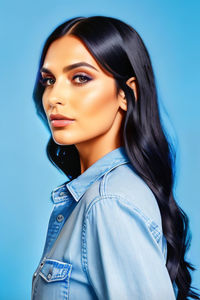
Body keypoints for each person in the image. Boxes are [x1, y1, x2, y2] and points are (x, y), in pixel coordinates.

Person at [31, 15, 199, 300]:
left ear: (125, 93)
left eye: (80, 78)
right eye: (49, 80)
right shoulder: (100, 196)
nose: (54, 97)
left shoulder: (108, 203)